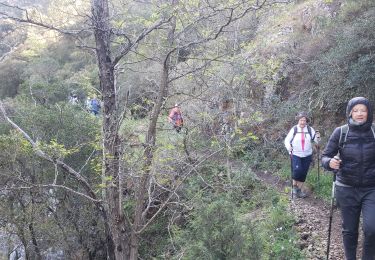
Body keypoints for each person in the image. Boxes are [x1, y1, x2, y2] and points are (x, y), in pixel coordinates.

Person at [321, 97, 375, 260]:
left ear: (369, 113)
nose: (359, 113)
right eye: (356, 110)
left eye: (363, 110)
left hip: (371, 189)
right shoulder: (341, 132)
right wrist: (330, 162)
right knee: (350, 230)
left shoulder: (374, 132)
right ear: (350, 112)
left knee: (372, 228)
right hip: (346, 188)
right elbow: (325, 156)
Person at [284, 111, 320, 198]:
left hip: (307, 155)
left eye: (304, 120)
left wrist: (318, 137)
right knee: (297, 171)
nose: (302, 122)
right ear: (298, 121)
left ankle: (299, 190)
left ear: (306, 121)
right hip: (296, 154)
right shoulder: (294, 129)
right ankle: (294, 188)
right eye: (301, 120)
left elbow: (317, 141)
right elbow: (287, 140)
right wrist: (289, 147)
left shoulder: (310, 130)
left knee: (303, 173)